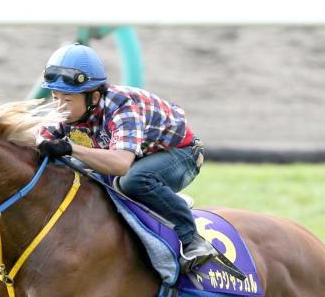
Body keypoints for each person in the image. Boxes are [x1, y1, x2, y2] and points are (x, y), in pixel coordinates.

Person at [36, 43, 214, 270]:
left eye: (68, 100)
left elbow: (120, 164)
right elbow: (40, 145)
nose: (59, 108)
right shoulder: (64, 111)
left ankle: (192, 240)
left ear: (94, 96)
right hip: (134, 155)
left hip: (181, 154)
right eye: (55, 97)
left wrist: (71, 148)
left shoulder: (122, 106)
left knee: (132, 181)